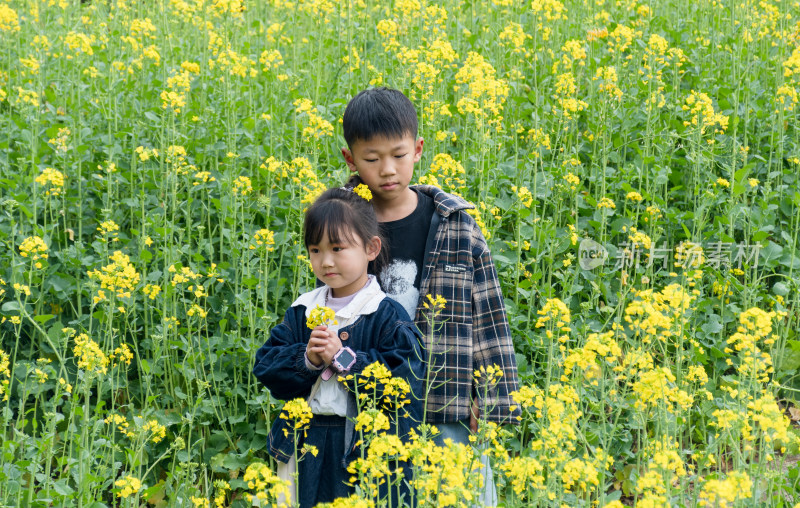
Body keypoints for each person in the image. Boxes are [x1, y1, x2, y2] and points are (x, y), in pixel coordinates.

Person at [341, 87, 521, 505]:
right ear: (350, 160)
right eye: (372, 159)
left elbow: (488, 316)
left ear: (419, 149)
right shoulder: (343, 225)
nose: (387, 169)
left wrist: (492, 399)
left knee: (457, 493)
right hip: (368, 399)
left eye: (399, 155)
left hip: (447, 395)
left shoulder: (456, 225)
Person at [252, 186, 424, 508]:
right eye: (315, 250)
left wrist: (341, 358)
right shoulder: (303, 310)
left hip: (361, 445)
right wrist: (307, 359)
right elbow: (266, 366)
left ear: (371, 249)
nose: (326, 261)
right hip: (305, 438)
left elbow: (406, 381)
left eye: (337, 248)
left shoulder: (386, 313)